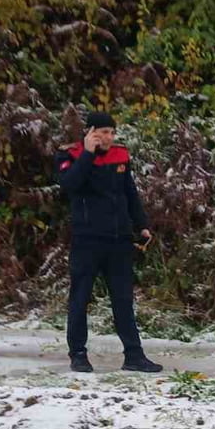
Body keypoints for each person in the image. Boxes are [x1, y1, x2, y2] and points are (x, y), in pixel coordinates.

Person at [54, 111, 162, 374]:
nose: (109, 137)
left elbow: (129, 192)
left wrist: (142, 224)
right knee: (80, 298)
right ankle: (78, 354)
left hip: (119, 240)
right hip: (87, 240)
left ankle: (134, 356)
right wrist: (89, 154)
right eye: (103, 132)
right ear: (90, 132)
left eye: (112, 132)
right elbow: (69, 185)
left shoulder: (120, 155)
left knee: (123, 300)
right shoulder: (70, 155)